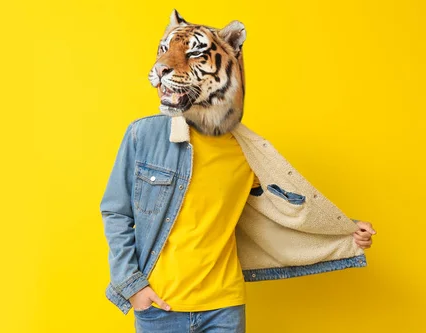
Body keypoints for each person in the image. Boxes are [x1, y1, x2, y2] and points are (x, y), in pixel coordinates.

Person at [100, 10, 376, 333]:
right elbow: (115, 211)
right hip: (160, 308)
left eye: (193, 55)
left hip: (224, 309)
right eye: (165, 51)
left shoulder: (246, 151)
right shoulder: (142, 136)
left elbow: (284, 214)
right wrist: (132, 286)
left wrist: (346, 230)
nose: (167, 65)